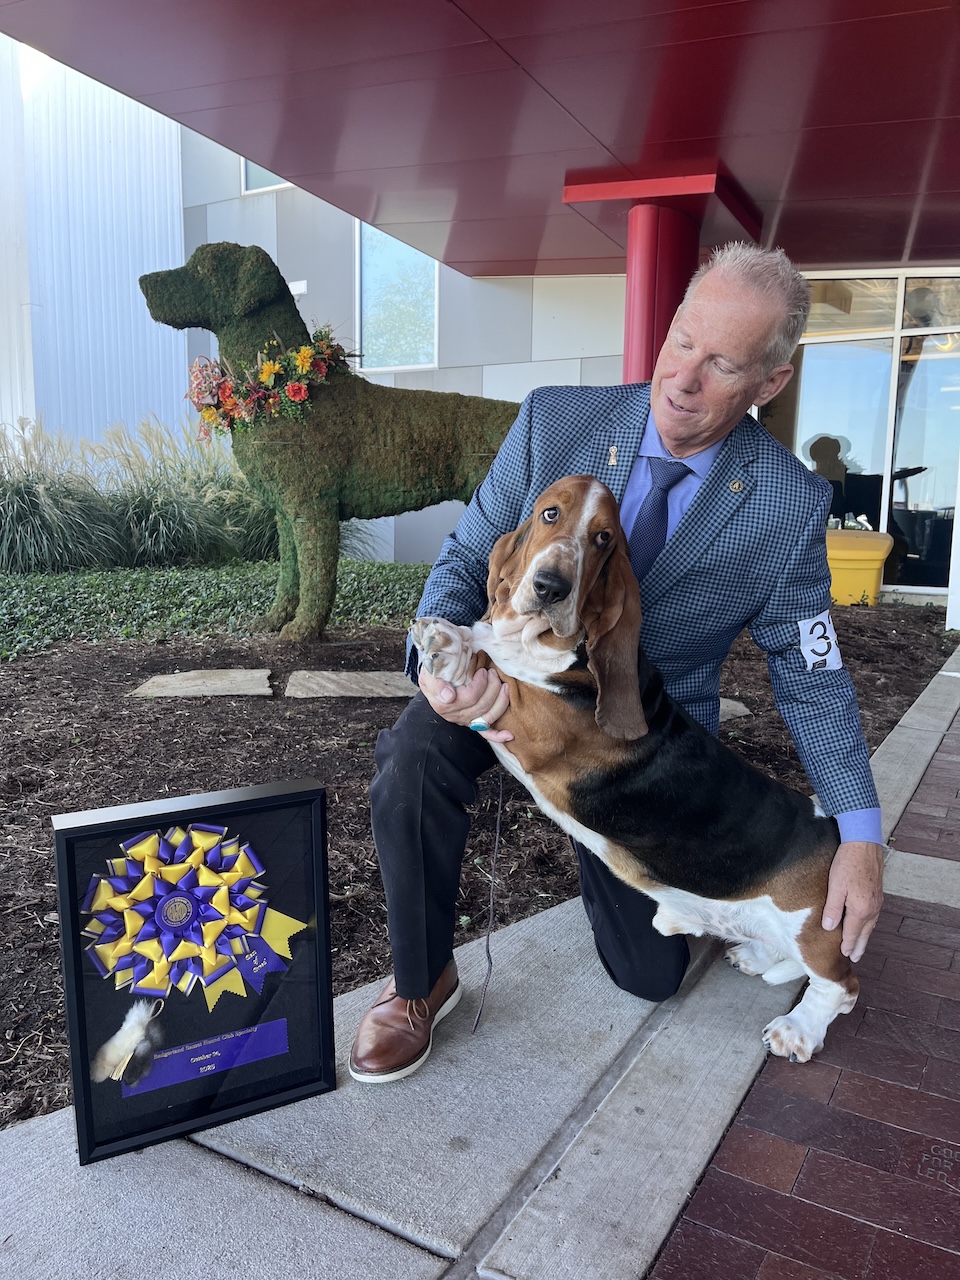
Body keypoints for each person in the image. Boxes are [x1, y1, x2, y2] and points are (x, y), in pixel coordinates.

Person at [349, 242, 886, 1084]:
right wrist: (435, 665)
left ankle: (587, 836)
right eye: (682, 341)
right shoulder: (554, 420)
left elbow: (811, 674)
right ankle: (419, 983)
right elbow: (463, 558)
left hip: (639, 744)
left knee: (650, 977)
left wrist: (858, 833)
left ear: (769, 383)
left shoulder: (788, 502)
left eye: (721, 365)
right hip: (507, 674)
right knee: (414, 754)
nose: (683, 379)